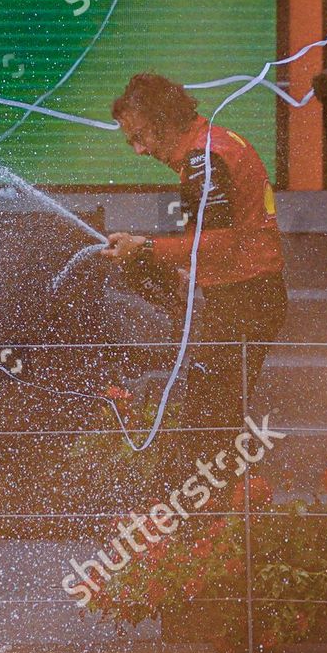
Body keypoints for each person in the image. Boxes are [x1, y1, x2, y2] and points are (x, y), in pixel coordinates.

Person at [100, 73, 288, 473]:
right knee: (210, 420)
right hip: (245, 294)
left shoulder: (204, 157)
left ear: (163, 122)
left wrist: (147, 248)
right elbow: (217, 234)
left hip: (246, 299)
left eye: (140, 136)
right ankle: (214, 521)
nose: (137, 150)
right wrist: (182, 268)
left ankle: (210, 524)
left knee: (207, 427)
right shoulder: (211, 145)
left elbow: (221, 239)